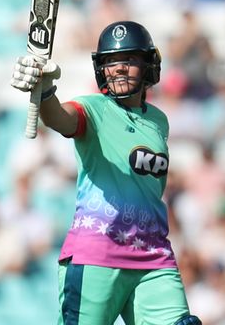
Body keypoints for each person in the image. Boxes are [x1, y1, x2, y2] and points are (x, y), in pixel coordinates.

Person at [10, 20, 200, 325]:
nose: (119, 69)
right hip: (98, 252)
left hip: (153, 253)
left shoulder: (159, 121)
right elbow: (60, 119)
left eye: (129, 60)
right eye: (111, 62)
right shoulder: (95, 108)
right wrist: (44, 92)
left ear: (149, 66)